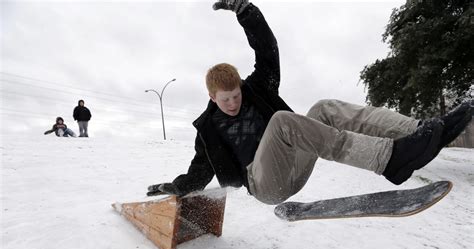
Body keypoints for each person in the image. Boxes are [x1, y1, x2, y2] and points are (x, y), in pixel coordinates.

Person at [147, 0, 472, 205]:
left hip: (294, 165)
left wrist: (245, 11)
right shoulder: (208, 129)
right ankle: (388, 159)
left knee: (324, 108)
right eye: (226, 100)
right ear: (211, 97)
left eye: (236, 95)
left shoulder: (257, 88)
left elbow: (267, 51)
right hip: (264, 185)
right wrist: (173, 186)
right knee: (281, 122)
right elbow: (198, 172)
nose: (233, 103)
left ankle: (421, 131)